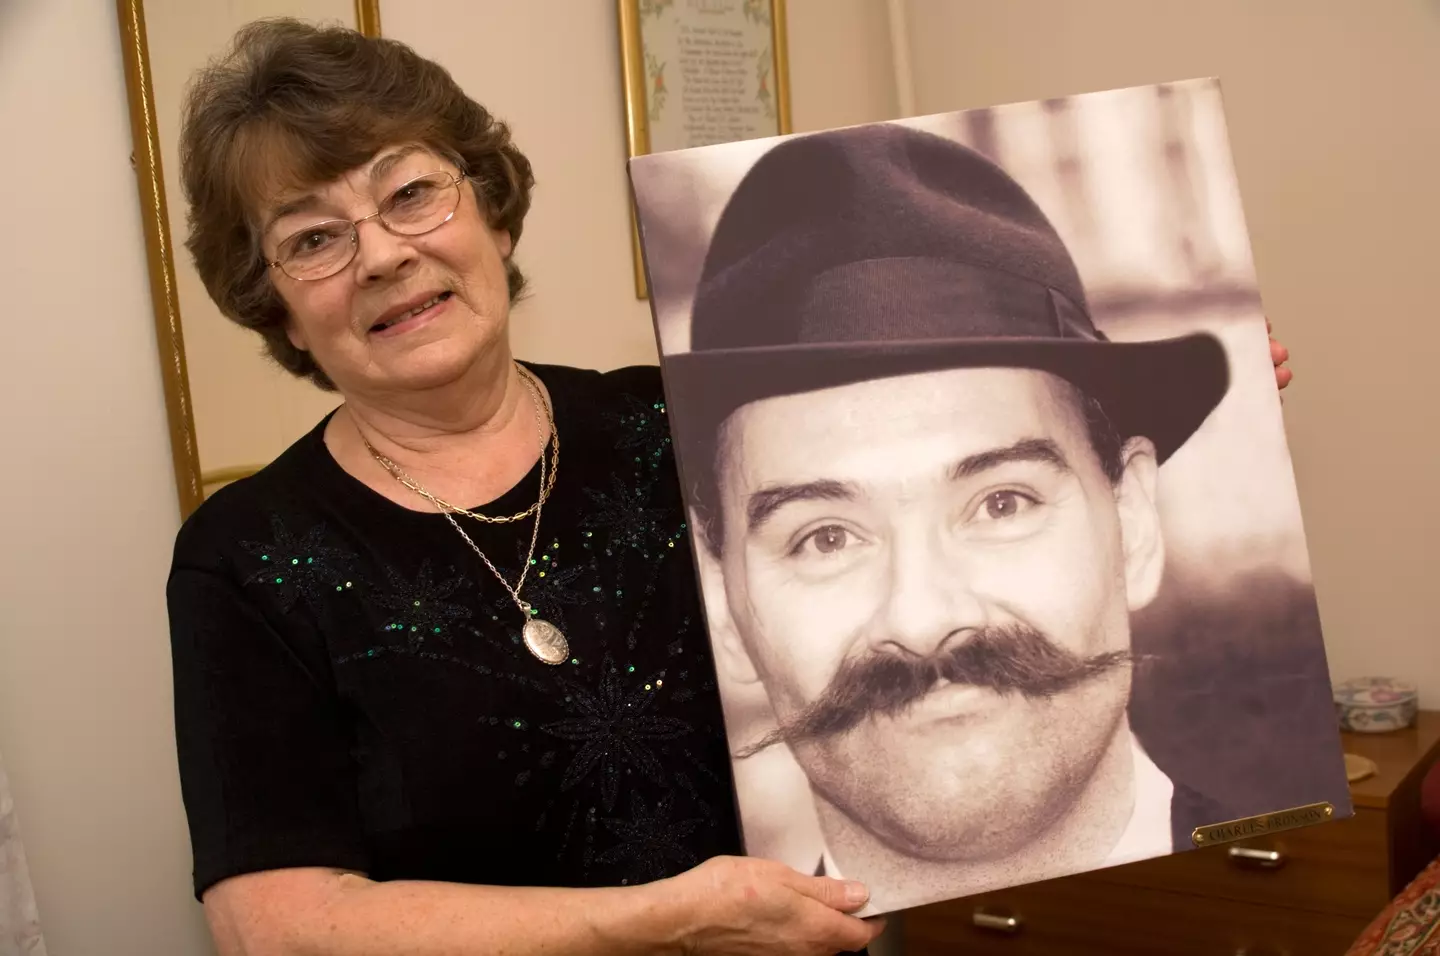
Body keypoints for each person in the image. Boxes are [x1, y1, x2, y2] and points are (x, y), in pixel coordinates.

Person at [163, 18, 1295, 956]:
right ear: (273, 303)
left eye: (410, 191)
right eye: (313, 237)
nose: (382, 253)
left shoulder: (666, 429)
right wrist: (659, 922)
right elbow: (275, 925)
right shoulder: (250, 556)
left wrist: (1230, 392)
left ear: (490, 209)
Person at [654, 121, 1294, 914]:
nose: (923, 620)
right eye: (825, 537)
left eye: (1001, 503)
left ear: (1132, 524)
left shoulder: (1320, 898)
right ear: (723, 600)